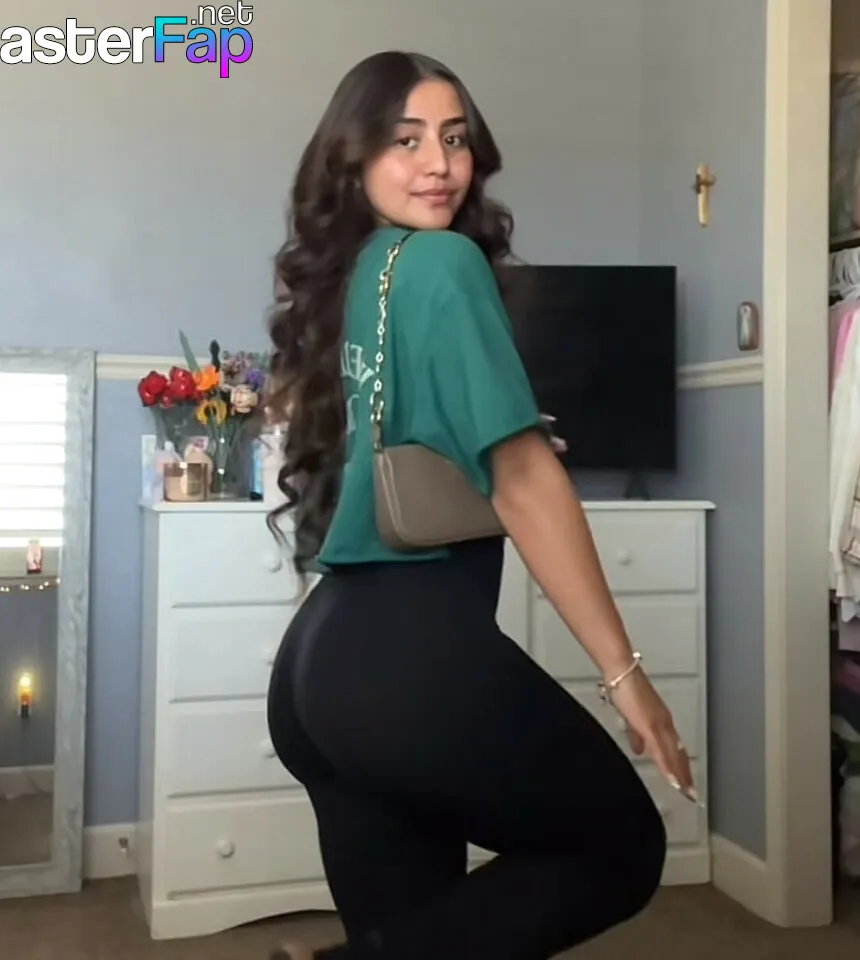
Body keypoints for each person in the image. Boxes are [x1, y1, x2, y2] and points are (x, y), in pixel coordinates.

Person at [263, 50, 695, 960]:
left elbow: (407, 456)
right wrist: (626, 677)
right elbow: (522, 481)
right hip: (404, 662)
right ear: (353, 155)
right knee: (621, 847)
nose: (439, 165)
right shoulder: (443, 261)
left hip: (318, 669)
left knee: (419, 935)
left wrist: (504, 444)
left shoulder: (358, 275)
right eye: (406, 140)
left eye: (454, 140)